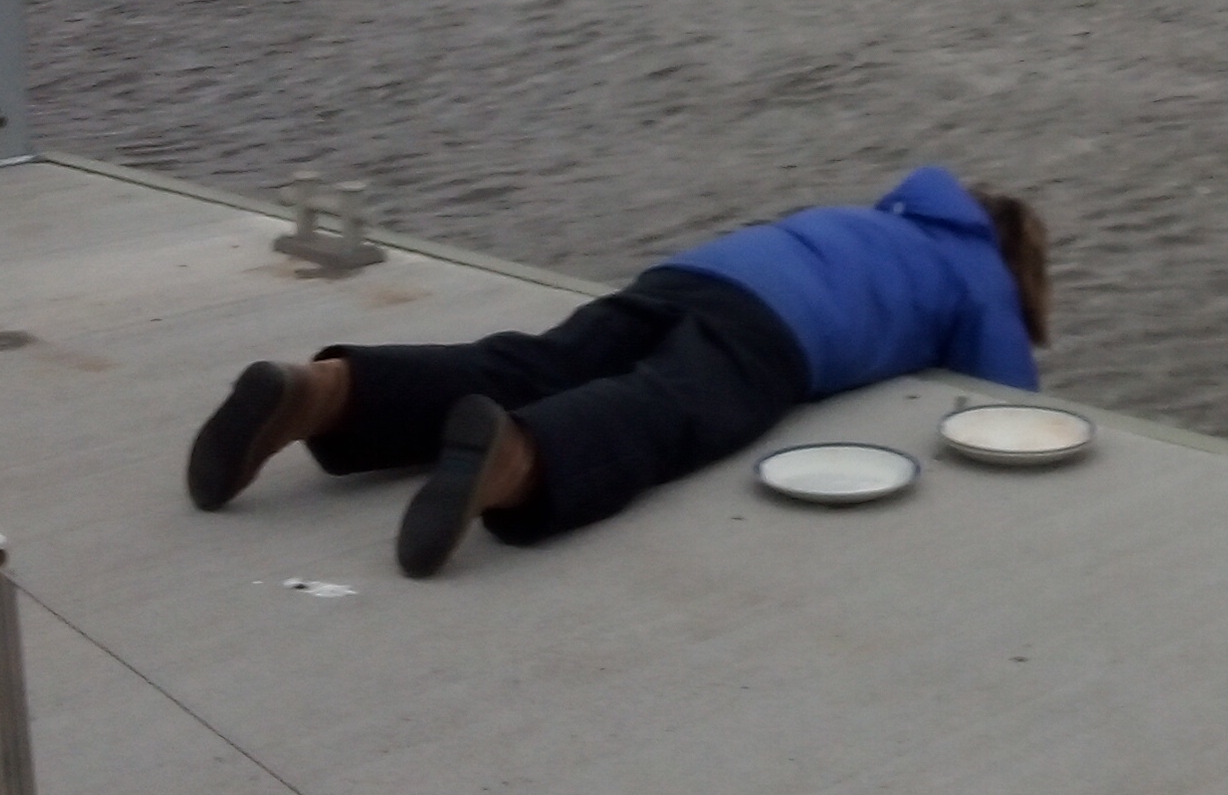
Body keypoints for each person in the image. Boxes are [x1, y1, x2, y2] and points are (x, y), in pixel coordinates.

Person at [186, 169, 1049, 579]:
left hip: (694, 274)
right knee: (668, 408)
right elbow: (1007, 410)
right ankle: (519, 458)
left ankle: (327, 393)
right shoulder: (979, 272)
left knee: (530, 360)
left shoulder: (870, 217)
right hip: (776, 335)